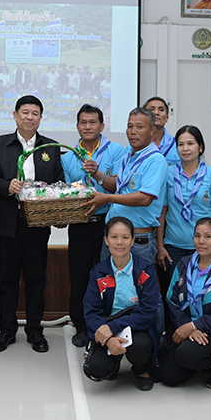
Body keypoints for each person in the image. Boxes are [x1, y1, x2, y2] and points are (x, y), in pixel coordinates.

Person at [0, 95, 65, 353]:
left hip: (37, 226)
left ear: (40, 118)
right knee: (7, 281)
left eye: (35, 113)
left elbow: (59, 183)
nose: (30, 117)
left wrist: (53, 206)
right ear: (15, 115)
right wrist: (6, 186)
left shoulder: (51, 147)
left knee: (36, 280)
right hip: (7, 225)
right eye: (25, 112)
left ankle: (35, 331)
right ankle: (6, 331)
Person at [62, 104, 127, 347]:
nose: (88, 127)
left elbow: (119, 187)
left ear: (102, 125)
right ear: (77, 126)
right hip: (80, 224)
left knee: (108, 277)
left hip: (107, 224)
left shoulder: (116, 151)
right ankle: (81, 326)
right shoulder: (68, 157)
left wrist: (98, 174)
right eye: (83, 122)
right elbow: (65, 193)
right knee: (79, 278)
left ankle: (107, 325)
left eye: (93, 122)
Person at [161, 217, 211, 389]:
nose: (201, 241)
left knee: (185, 354)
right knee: (168, 377)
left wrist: (195, 325)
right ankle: (198, 359)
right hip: (188, 328)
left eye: (208, 236)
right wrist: (187, 327)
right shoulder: (184, 265)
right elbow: (172, 301)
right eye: (197, 236)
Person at [85, 107, 169, 269]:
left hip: (137, 240)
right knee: (108, 283)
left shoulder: (155, 160)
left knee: (137, 285)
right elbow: (120, 187)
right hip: (114, 235)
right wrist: (97, 174)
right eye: (130, 126)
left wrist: (107, 198)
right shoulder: (129, 154)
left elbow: (145, 198)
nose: (133, 132)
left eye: (139, 127)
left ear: (152, 130)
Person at [82, 217, 160, 391]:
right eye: (114, 237)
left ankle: (141, 370)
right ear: (106, 240)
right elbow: (91, 311)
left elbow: (147, 311)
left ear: (132, 240)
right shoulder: (98, 272)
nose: (119, 242)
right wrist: (109, 338)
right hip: (106, 325)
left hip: (135, 326)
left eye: (125, 237)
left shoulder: (145, 271)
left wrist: (114, 327)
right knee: (97, 369)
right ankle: (113, 361)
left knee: (140, 347)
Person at [156, 125, 211, 297]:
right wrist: (160, 246)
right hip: (173, 247)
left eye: (190, 143)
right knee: (174, 295)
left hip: (204, 247)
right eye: (180, 144)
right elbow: (162, 213)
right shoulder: (168, 173)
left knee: (203, 294)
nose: (185, 148)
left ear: (200, 147)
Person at [143, 96, 179, 166]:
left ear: (167, 118)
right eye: (152, 109)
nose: (156, 113)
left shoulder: (177, 146)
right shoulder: (134, 145)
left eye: (161, 110)